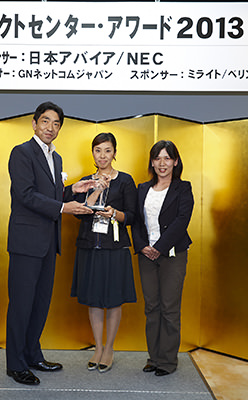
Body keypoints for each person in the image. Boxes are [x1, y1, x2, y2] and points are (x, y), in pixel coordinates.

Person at [6, 101, 96, 385]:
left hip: (48, 242)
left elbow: (51, 194)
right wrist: (64, 207)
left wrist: (72, 189)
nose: (50, 127)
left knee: (40, 303)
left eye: (56, 124)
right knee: (21, 304)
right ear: (34, 124)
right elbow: (26, 194)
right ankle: (15, 364)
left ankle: (33, 355)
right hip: (26, 242)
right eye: (45, 121)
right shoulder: (21, 152)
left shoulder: (55, 158)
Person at [66, 132, 137, 373]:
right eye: (98, 150)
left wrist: (114, 213)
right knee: (94, 298)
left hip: (115, 248)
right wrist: (96, 190)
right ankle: (97, 347)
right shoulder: (85, 181)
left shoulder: (125, 180)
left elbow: (132, 216)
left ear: (114, 153)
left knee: (114, 299)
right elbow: (79, 212)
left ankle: (109, 348)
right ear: (93, 154)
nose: (103, 155)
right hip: (90, 247)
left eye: (107, 150)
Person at [131, 140, 194, 377]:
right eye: (157, 158)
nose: (162, 163)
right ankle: (154, 358)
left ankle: (167, 361)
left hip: (172, 255)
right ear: (152, 162)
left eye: (167, 158)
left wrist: (159, 247)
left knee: (169, 308)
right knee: (151, 307)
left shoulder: (183, 188)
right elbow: (136, 221)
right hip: (146, 255)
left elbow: (181, 221)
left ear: (175, 161)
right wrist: (142, 247)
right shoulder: (142, 189)